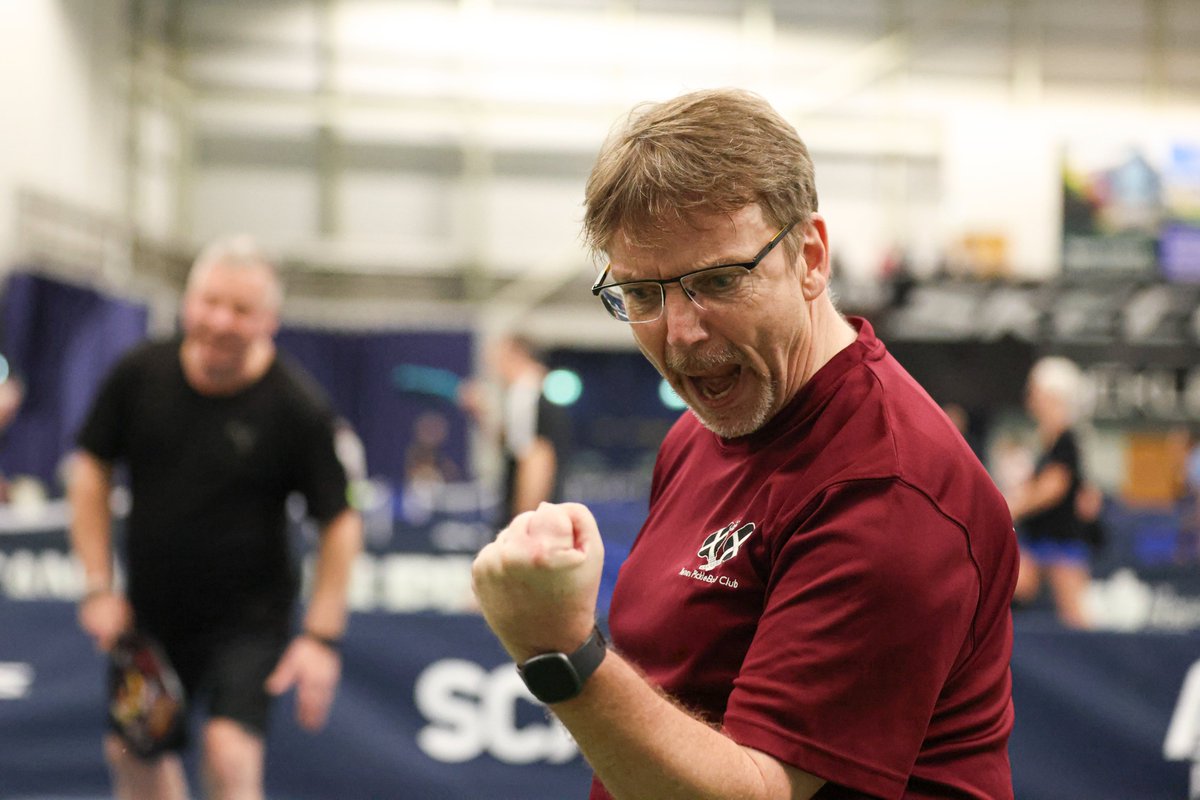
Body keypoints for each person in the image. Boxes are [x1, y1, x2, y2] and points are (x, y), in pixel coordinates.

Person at [470, 88, 1018, 799]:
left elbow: (756, 793)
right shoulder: (699, 432)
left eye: (718, 281)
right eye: (641, 295)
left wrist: (559, 652)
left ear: (811, 257)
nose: (680, 333)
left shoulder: (888, 489)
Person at [68, 236, 363, 800]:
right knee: (131, 750)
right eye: (210, 302)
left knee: (230, 754)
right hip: (149, 614)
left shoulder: (297, 406)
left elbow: (340, 520)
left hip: (249, 623)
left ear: (269, 322)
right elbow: (90, 470)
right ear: (188, 302)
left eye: (241, 310)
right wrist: (97, 584)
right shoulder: (138, 374)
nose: (221, 321)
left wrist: (322, 637)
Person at [1006, 355, 1094, 628]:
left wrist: (1011, 506)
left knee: (1074, 616)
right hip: (1037, 538)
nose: (1031, 398)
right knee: (1012, 590)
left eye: (1037, 392)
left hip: (1062, 541)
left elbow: (1054, 487)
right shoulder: (1046, 439)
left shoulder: (1067, 439)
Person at [461, 334, 571, 526]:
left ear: (516, 355)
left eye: (498, 357)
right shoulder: (531, 392)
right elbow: (512, 446)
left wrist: (524, 524)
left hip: (531, 518)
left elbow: (536, 458)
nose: (492, 365)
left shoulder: (525, 394)